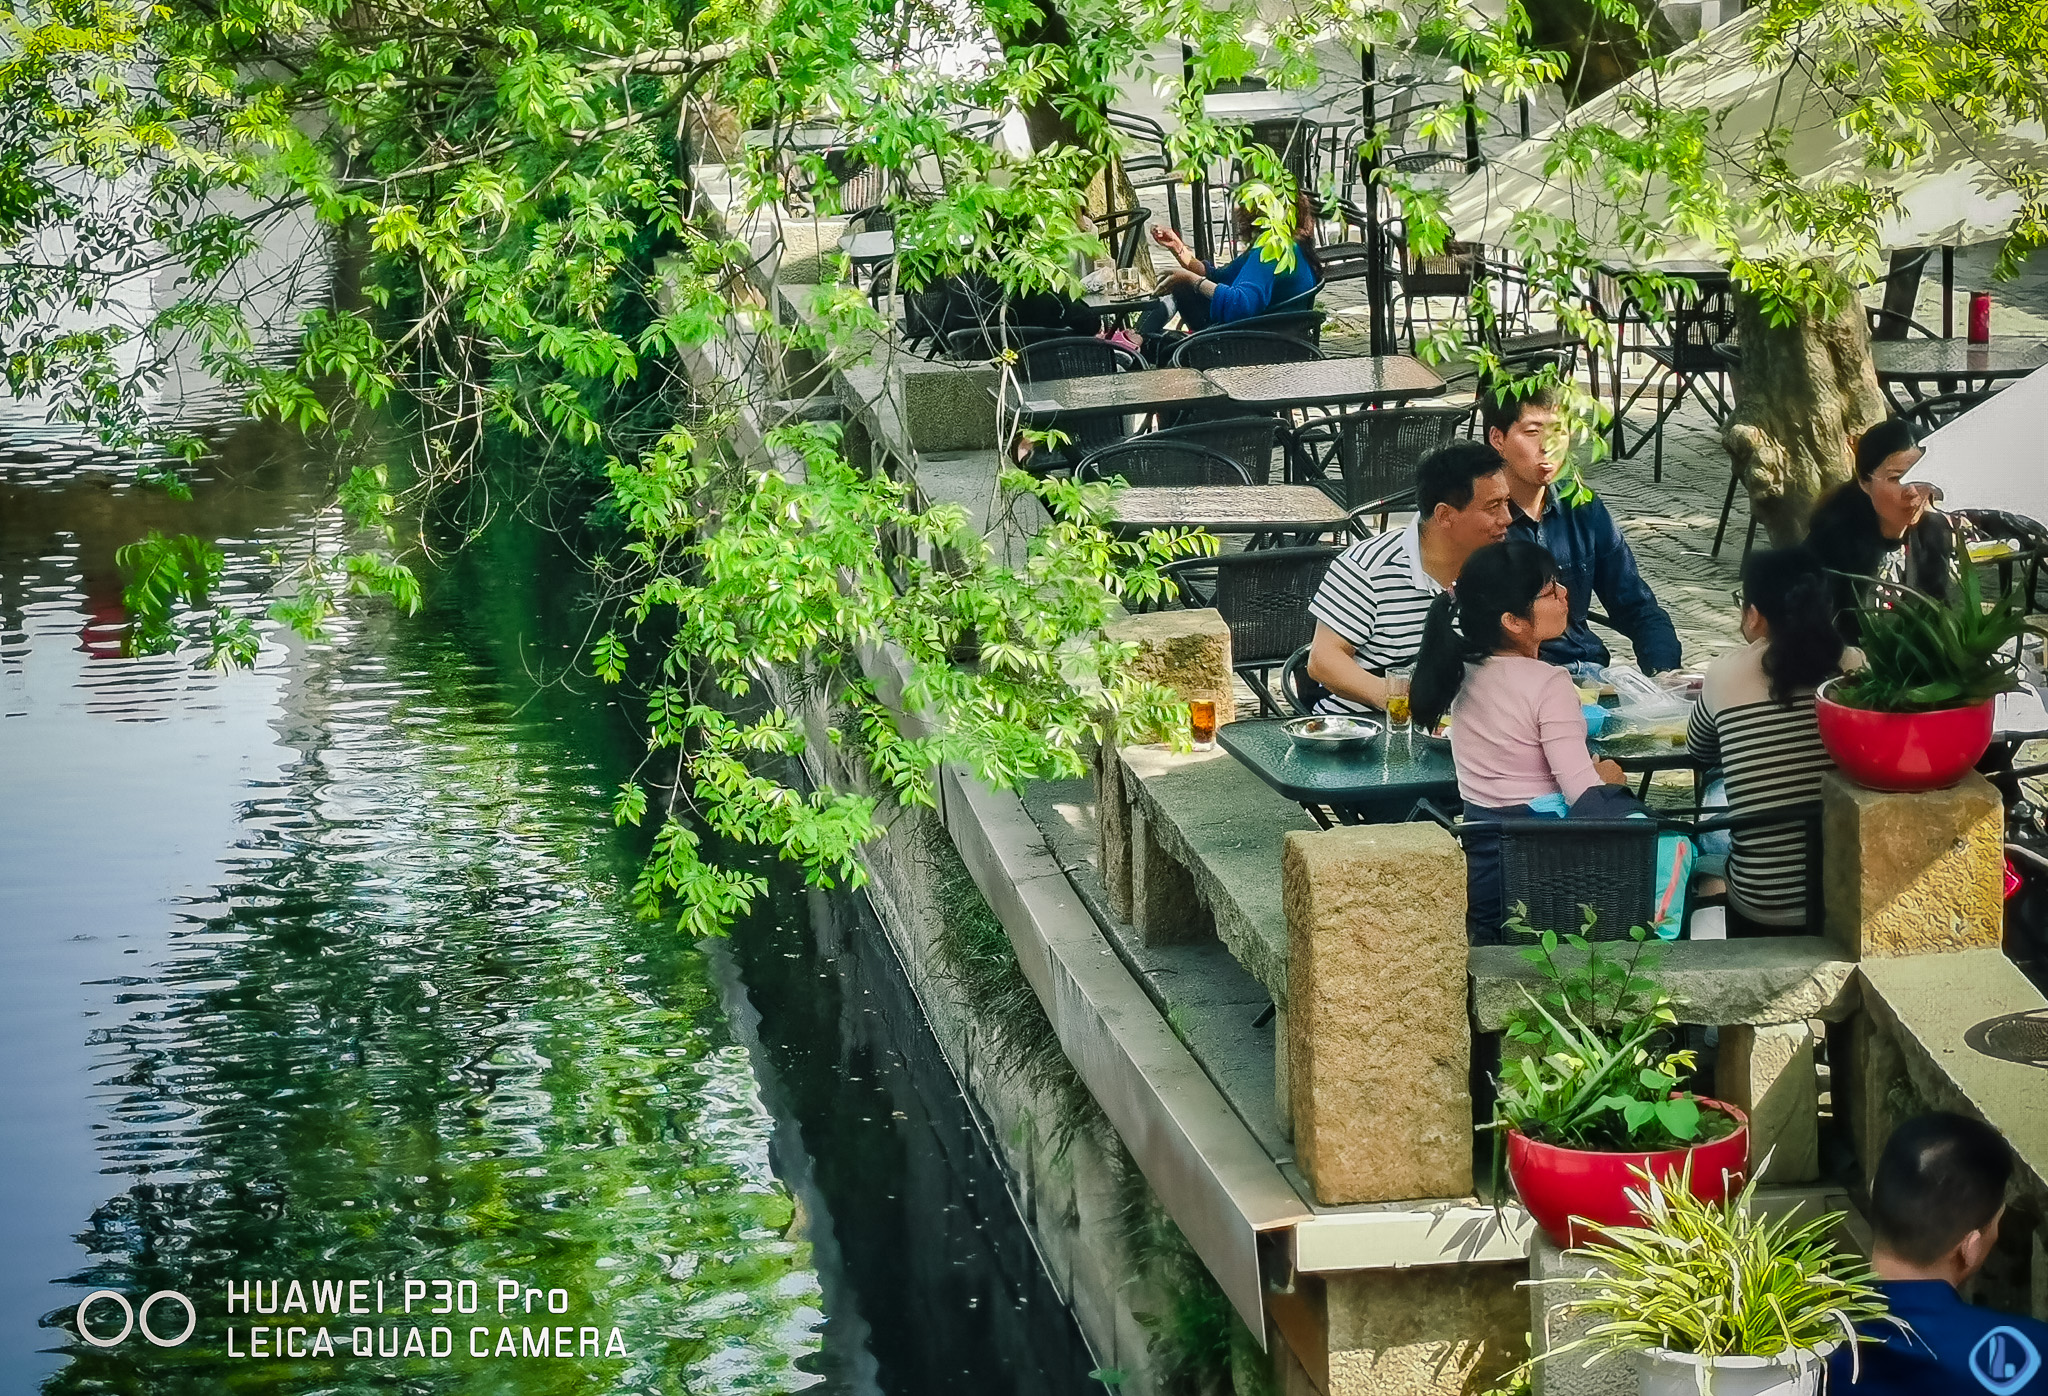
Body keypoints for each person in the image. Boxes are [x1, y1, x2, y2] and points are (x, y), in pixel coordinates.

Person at [1408, 539, 1634, 940]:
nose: (1565, 595)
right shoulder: (1550, 683)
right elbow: (1585, 797)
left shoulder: (1463, 671)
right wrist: (1611, 781)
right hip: (1545, 879)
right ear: (1513, 620)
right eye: (1549, 592)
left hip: (1484, 874)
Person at [1685, 547, 1846, 937]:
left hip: (1761, 904)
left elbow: (1699, 750)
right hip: (1843, 893)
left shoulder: (1724, 674)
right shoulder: (1854, 667)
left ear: (1754, 614)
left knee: (1710, 824)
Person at [1830, 1112, 2048, 1394]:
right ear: (1969, 1247)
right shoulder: (2032, 1354)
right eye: (1996, 1224)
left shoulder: (1795, 1339)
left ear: (1875, 1190)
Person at [1306, 441, 1513, 716]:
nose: (1507, 518)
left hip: (1469, 729)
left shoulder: (1500, 567)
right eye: (1493, 507)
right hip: (1371, 728)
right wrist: (1399, 700)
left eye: (1507, 503)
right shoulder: (1367, 568)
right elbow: (1323, 661)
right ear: (1445, 515)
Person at [1489, 386, 1681, 674]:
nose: (1548, 446)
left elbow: (1637, 607)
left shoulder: (1581, 507)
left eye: (1558, 431)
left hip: (1590, 671)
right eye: (1532, 432)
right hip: (1517, 681)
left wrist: (1664, 674)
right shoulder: (1483, 521)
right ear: (1497, 439)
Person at [1805, 415, 1956, 641]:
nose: (1913, 492)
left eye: (1921, 477)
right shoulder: (1834, 539)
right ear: (1865, 483)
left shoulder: (1933, 531)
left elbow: (1940, 613)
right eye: (1897, 479)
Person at [1142, 193, 1320, 338]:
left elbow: (1240, 305)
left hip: (1250, 341)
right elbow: (1217, 276)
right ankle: (1135, 338)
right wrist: (1178, 247)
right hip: (1278, 338)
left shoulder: (1271, 250)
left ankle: (1132, 341)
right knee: (1179, 286)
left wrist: (1191, 280)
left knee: (1155, 341)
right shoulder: (1292, 244)